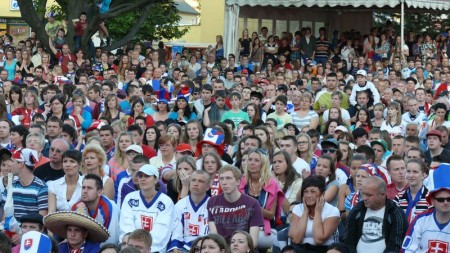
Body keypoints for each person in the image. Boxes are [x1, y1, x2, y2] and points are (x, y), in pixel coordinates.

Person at [343, 177, 408, 253]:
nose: (364, 198)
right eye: (363, 194)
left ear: (383, 194)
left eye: (369, 195)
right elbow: (348, 241)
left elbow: (395, 246)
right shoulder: (357, 210)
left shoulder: (395, 213)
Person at [120, 164, 175, 253]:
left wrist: (143, 249)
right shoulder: (130, 198)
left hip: (154, 250)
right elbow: (126, 226)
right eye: (140, 176)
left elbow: (161, 232)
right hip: (130, 248)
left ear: (156, 179)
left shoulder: (166, 202)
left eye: (147, 176)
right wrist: (133, 247)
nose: (142, 179)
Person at [208, 165, 264, 245]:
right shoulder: (212, 202)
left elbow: (253, 241)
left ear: (238, 181)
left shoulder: (252, 204)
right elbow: (214, 237)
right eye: (221, 179)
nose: (224, 182)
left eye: (228, 178)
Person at [401, 164, 450, 253]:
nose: (445, 202)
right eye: (440, 199)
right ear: (432, 201)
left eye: (449, 199)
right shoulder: (420, 219)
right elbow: (408, 250)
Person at [288, 176, 340, 253]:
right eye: (305, 191)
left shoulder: (332, 211)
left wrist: (318, 212)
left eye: (313, 191)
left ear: (323, 194)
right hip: (300, 249)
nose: (308, 195)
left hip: (323, 249)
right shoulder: (298, 209)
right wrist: (305, 212)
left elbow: (319, 240)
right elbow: (296, 239)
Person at [168, 170, 211, 252]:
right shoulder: (180, 205)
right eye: (193, 180)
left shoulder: (212, 205)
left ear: (208, 186)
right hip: (184, 247)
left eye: (200, 181)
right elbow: (176, 232)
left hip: (205, 247)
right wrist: (175, 248)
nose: (195, 184)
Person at [71, 173, 120, 244]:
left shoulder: (108, 208)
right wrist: (81, 213)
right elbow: (73, 234)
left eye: (89, 188)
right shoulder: (77, 207)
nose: (85, 191)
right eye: (83, 187)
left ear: (99, 192)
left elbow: (110, 241)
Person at [43, 209, 110, 253]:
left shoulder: (94, 249)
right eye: (69, 230)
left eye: (77, 231)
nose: (72, 234)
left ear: (85, 234)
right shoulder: (60, 248)